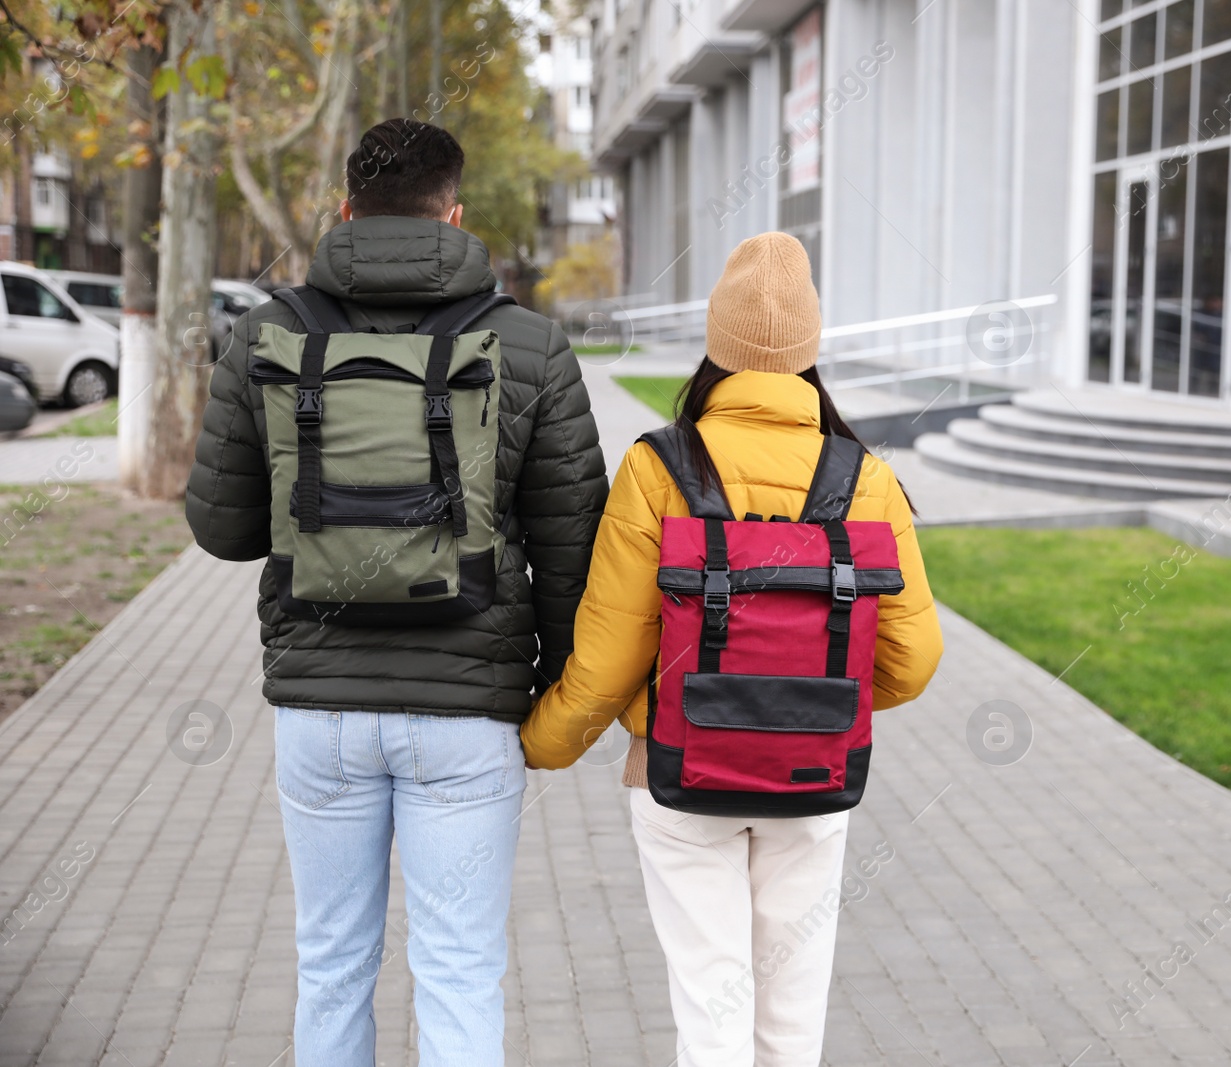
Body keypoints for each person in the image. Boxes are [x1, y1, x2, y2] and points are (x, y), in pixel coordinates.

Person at [185, 118, 607, 1067]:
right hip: (470, 711)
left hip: (320, 707)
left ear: (345, 211)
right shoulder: (532, 345)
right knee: (459, 970)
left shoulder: (266, 333)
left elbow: (222, 529)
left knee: (331, 965)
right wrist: (550, 690)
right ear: (454, 215)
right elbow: (573, 553)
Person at [521, 231, 942, 1067]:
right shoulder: (865, 477)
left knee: (711, 1002)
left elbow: (608, 655)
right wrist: (817, 697)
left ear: (717, 345)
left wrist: (546, 740)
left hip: (680, 771)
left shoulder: (658, 466)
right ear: (810, 349)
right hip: (813, 767)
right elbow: (913, 659)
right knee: (792, 1010)